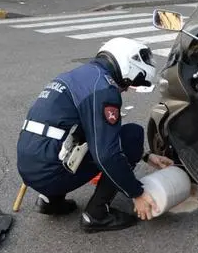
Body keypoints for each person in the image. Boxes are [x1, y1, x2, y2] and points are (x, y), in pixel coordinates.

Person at [16, 37, 174, 232]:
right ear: (128, 67)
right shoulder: (103, 89)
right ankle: (97, 214)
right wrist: (137, 194)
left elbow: (90, 130)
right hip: (50, 172)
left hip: (30, 166)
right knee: (132, 135)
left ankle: (51, 200)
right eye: (127, 85)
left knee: (65, 137)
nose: (124, 90)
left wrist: (146, 156)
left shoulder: (79, 76)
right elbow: (106, 154)